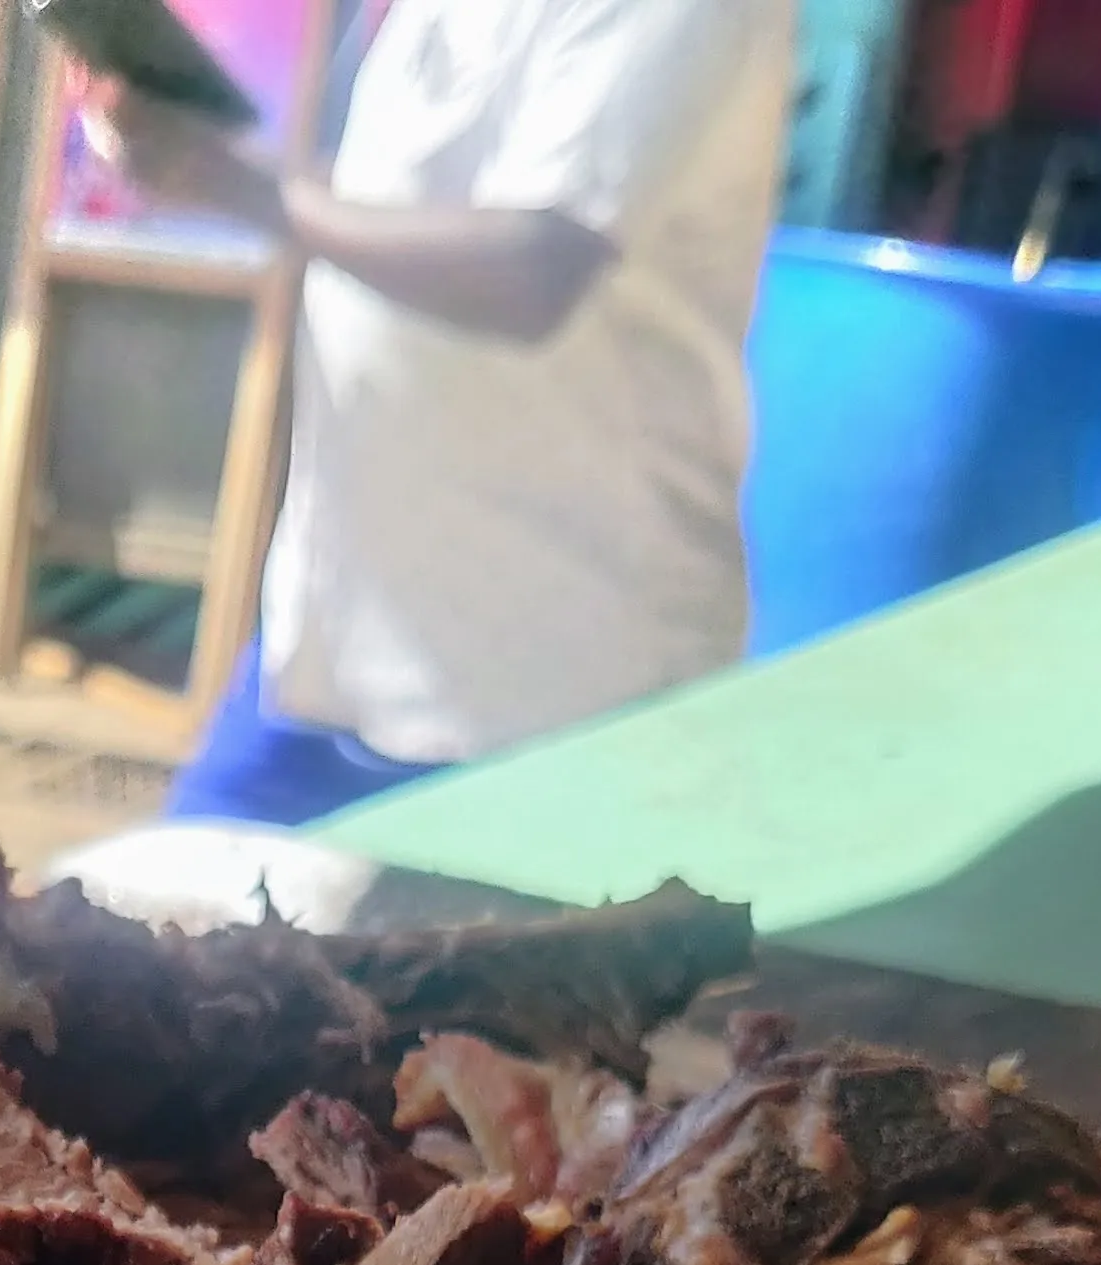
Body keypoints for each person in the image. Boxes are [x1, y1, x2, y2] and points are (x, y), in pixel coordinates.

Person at [97, 0, 793, 824]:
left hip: (552, 693)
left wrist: (248, 191)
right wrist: (217, 169)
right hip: (342, 639)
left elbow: (533, 270)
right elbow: (396, 203)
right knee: (132, 944)